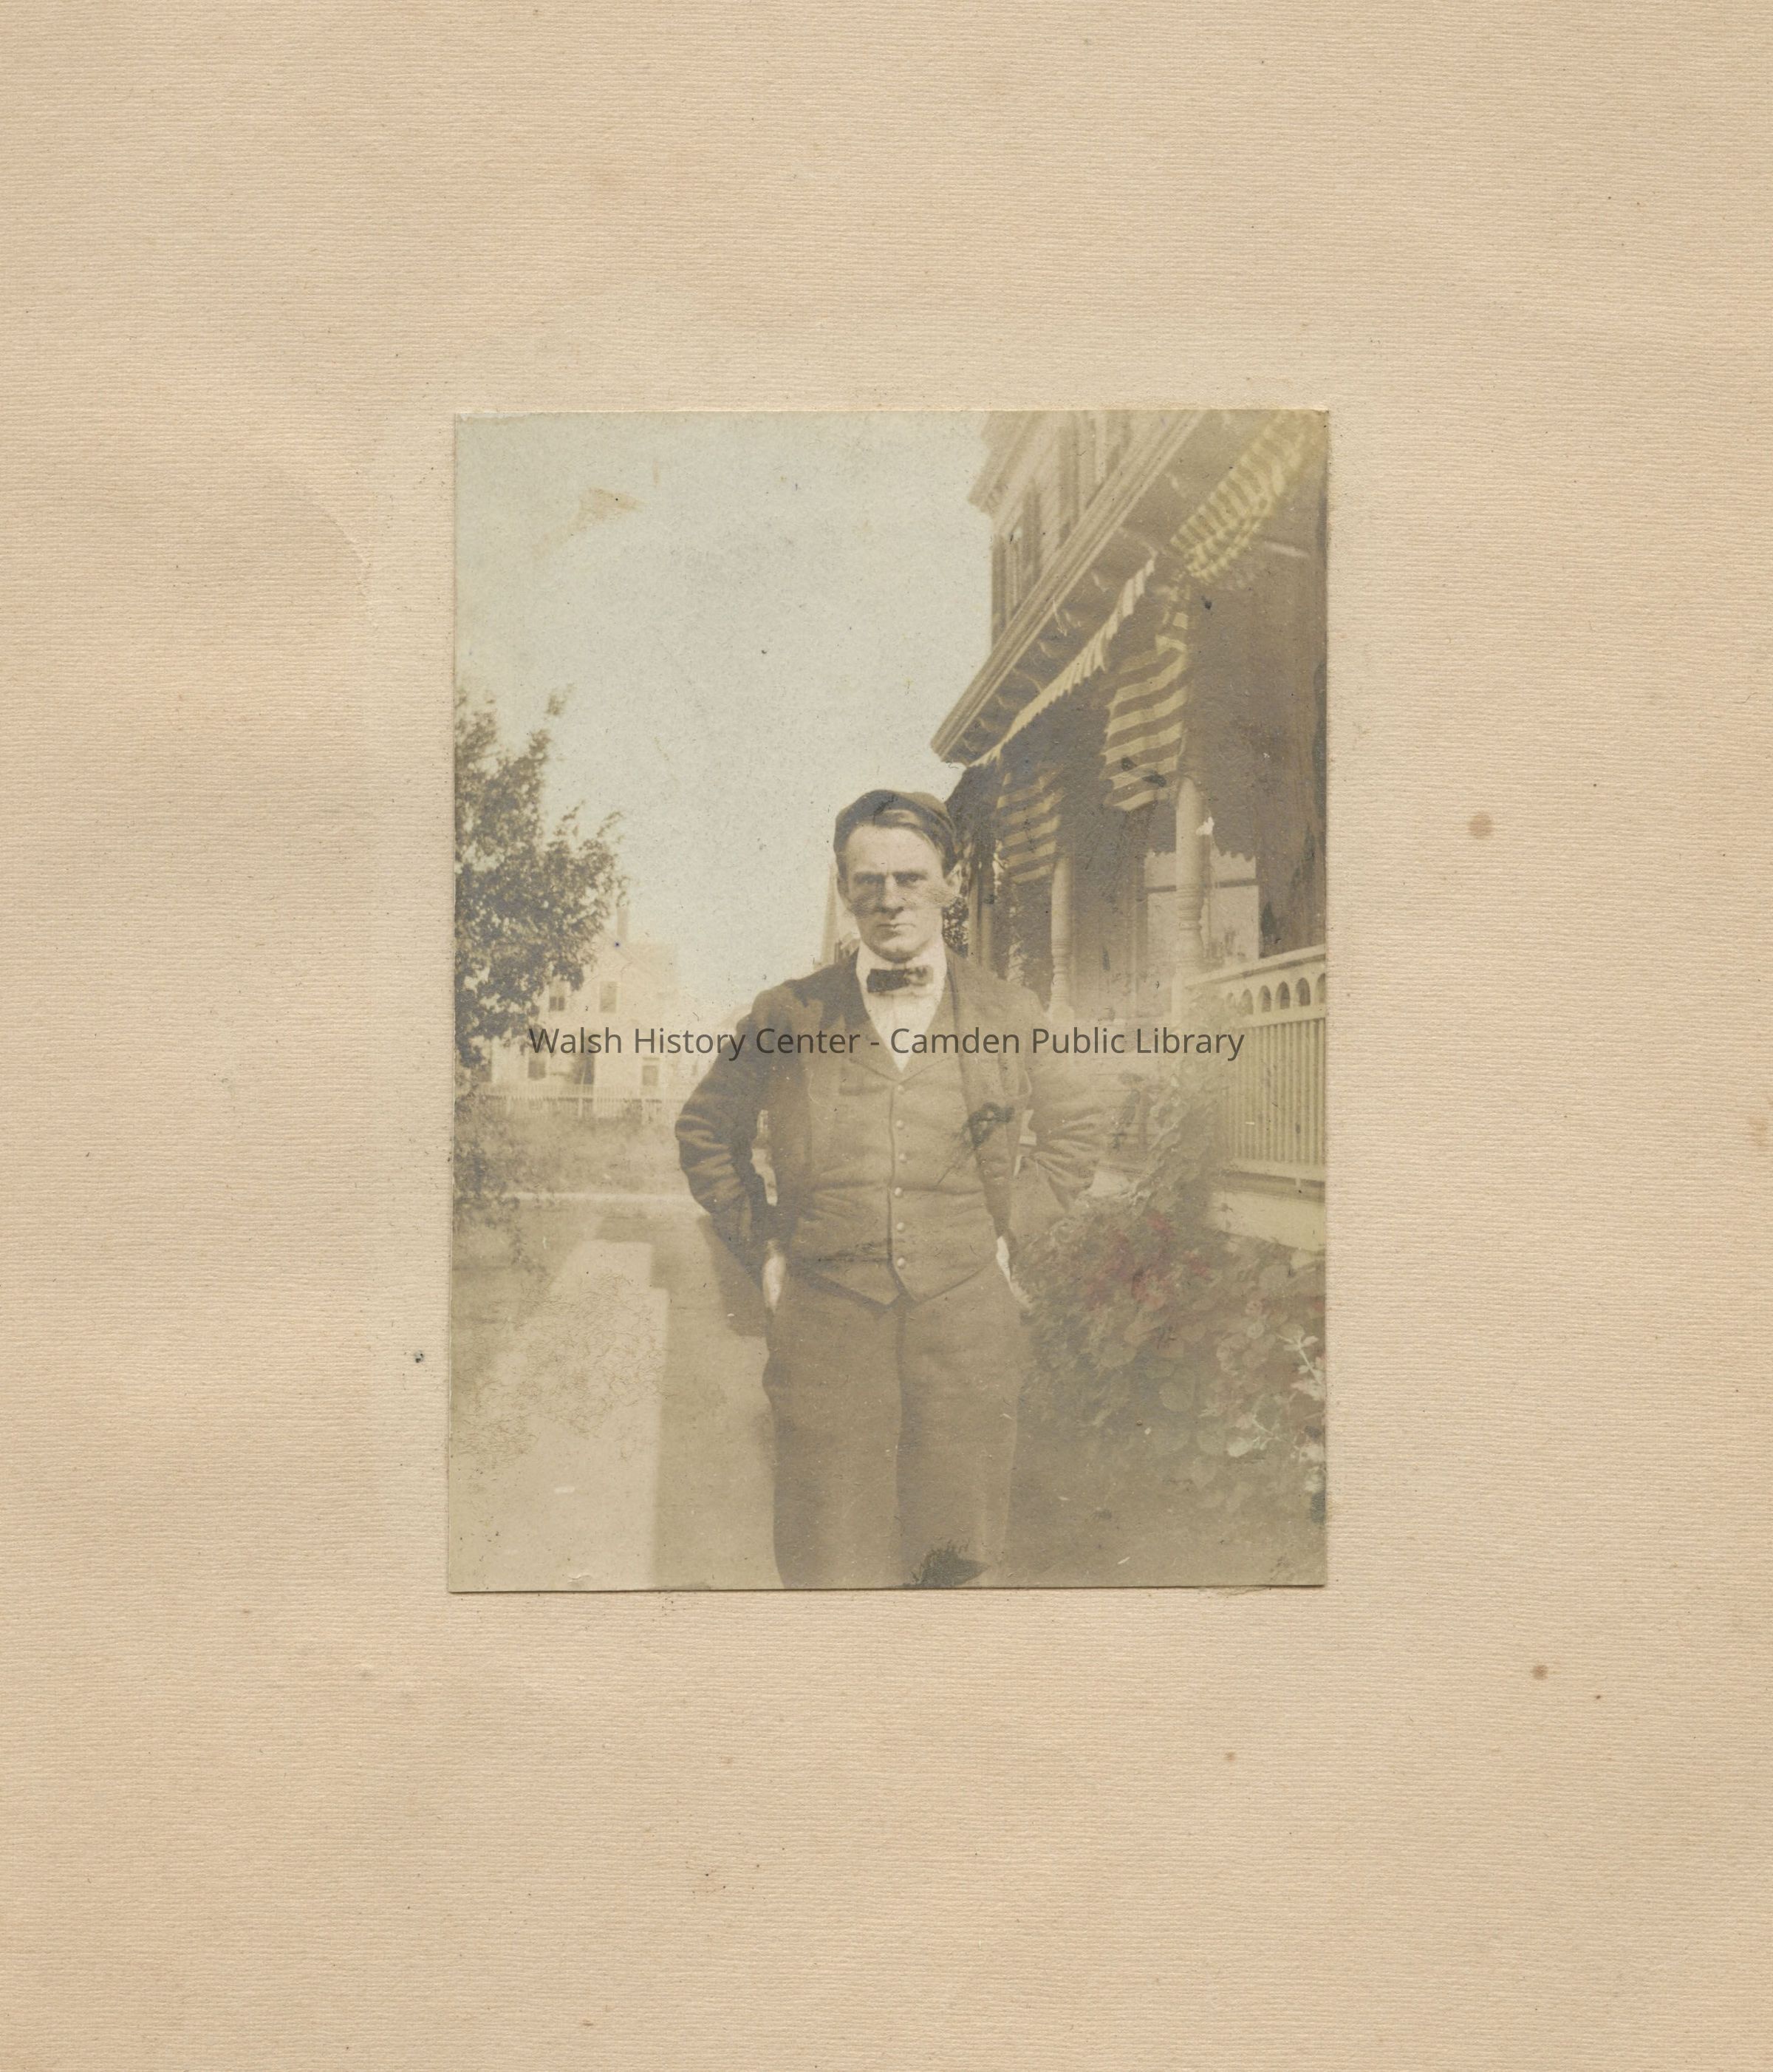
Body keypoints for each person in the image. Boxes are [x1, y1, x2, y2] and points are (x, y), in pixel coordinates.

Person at [675, 788, 1113, 1587]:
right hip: (826, 1332)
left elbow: (1078, 1125)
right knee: (828, 1566)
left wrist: (1010, 1229)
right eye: (868, 880)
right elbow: (706, 1131)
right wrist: (764, 1245)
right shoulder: (789, 1012)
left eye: (910, 877)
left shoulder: (1008, 1011)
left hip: (966, 1334)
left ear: (950, 881)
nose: (890, 899)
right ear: (844, 888)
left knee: (953, 1568)